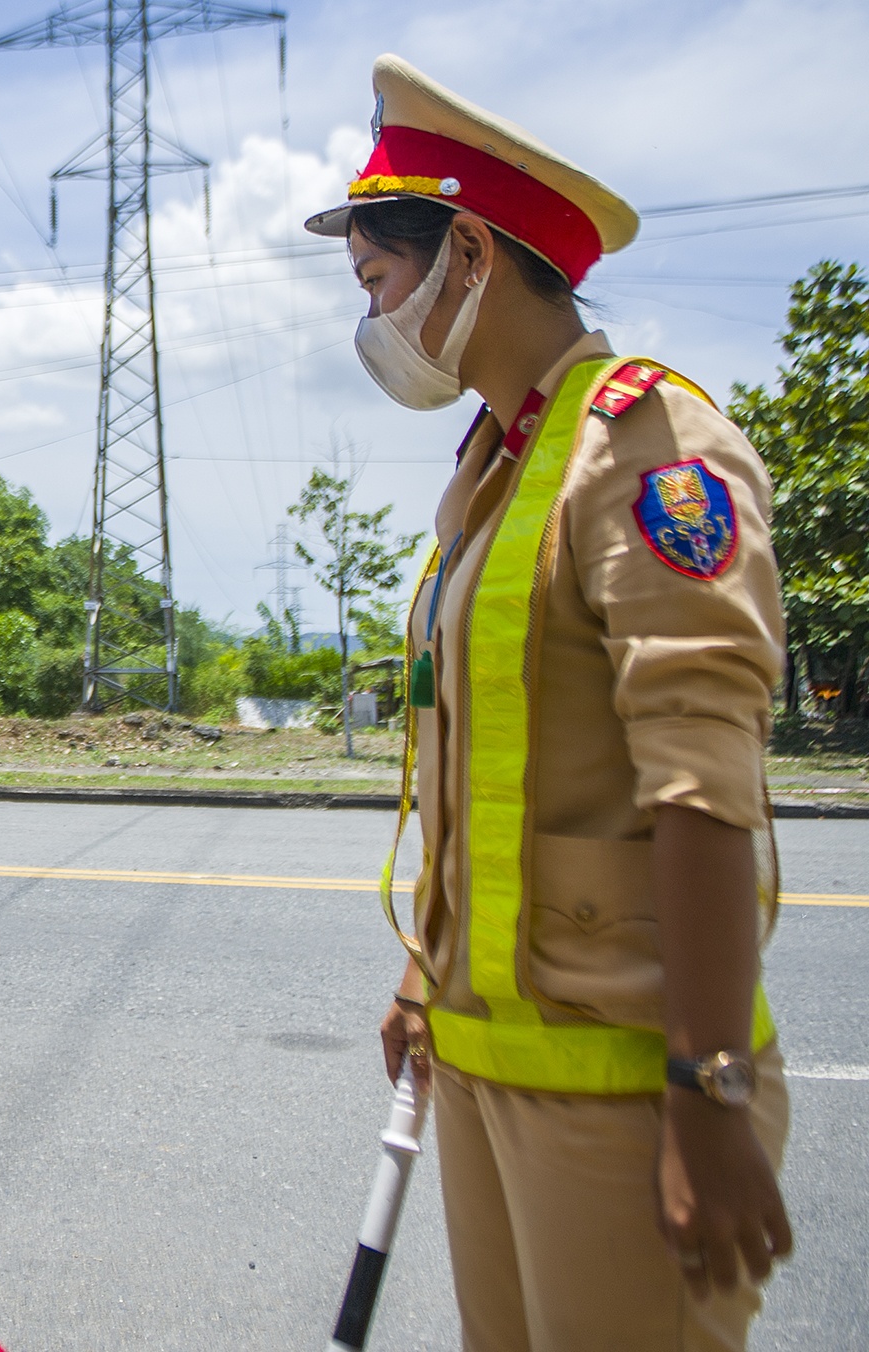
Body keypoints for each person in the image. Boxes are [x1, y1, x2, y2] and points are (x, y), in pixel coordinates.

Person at [305, 56, 793, 1352]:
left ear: (467, 252)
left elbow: (701, 779)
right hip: (482, 1067)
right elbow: (492, 767)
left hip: (627, 1092)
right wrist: (431, 967)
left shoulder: (645, 448)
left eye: (378, 283)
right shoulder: (491, 471)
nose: (371, 323)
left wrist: (708, 1096)